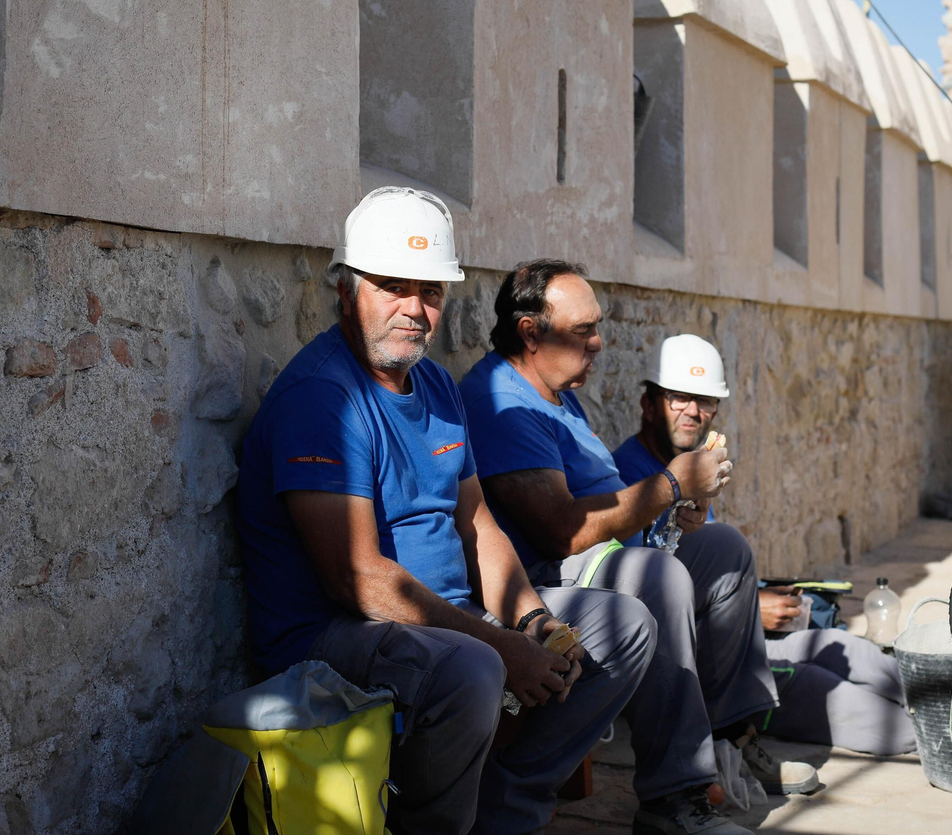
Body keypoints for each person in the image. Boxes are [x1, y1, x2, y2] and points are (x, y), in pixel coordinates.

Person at [236, 189, 657, 835]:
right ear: (346, 290)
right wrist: (496, 642)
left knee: (621, 627)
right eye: (391, 287)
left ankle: (503, 809)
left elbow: (478, 525)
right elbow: (356, 580)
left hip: (450, 621)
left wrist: (536, 622)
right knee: (474, 668)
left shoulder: (432, 383)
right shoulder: (323, 399)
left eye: (430, 291)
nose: (414, 309)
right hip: (333, 636)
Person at [459, 260, 815, 835]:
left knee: (724, 550)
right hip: (547, 577)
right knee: (659, 578)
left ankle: (733, 739)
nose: (599, 343)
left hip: (609, 555)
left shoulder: (557, 392)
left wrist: (676, 511)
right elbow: (560, 530)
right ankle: (676, 797)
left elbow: (611, 505)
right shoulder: (501, 401)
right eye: (584, 331)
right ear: (530, 333)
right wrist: (672, 484)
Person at [614, 334, 916, 758]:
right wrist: (753, 606)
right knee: (894, 727)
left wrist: (754, 602)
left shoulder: (697, 467)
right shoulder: (627, 477)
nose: (693, 412)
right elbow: (643, 592)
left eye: (705, 402)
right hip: (701, 663)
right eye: (679, 398)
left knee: (852, 651)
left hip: (741, 639)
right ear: (649, 404)